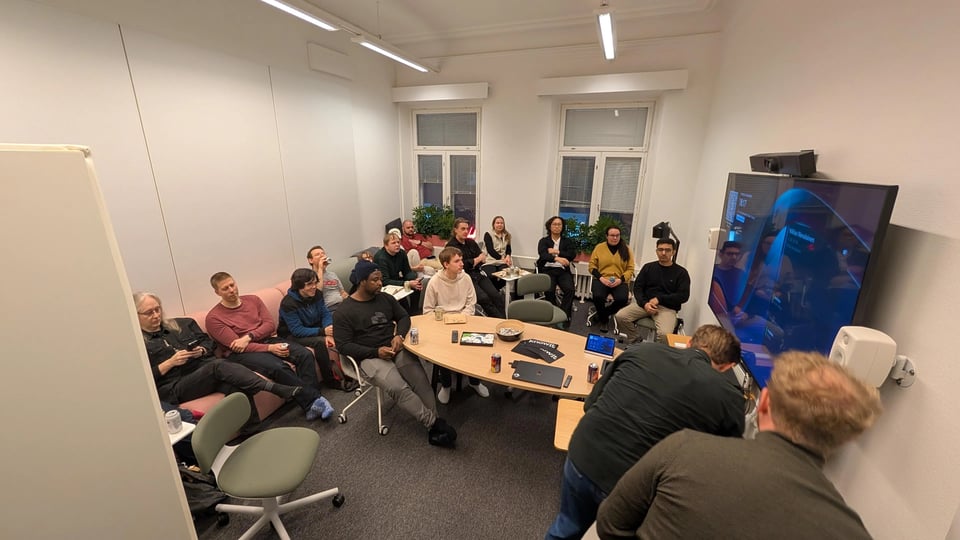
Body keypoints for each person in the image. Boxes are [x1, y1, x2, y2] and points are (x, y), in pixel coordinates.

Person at [596, 351, 883, 540]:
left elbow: (610, 525)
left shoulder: (684, 448)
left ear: (765, 402)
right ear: (846, 437)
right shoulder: (852, 532)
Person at [544, 325, 746, 540]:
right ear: (727, 367)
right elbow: (725, 461)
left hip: (583, 455)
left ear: (688, 343)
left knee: (567, 526)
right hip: (634, 487)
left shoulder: (641, 351)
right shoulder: (729, 398)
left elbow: (590, 404)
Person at [333, 260, 458, 447]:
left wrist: (399, 335)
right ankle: (433, 424)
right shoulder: (343, 311)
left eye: (380, 279)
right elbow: (343, 346)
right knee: (399, 388)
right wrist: (375, 351)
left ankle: (435, 423)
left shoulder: (385, 298)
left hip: (395, 348)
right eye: (375, 280)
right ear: (362, 282)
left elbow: (403, 317)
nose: (380, 283)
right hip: (369, 357)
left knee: (420, 381)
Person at [135, 292, 302, 427]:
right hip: (175, 386)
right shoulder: (136, 344)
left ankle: (252, 427)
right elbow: (142, 382)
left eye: (158, 309)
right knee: (218, 366)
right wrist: (170, 363)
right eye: (149, 313)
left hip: (201, 371)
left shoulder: (180, 325)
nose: (156, 315)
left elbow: (208, 342)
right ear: (135, 315)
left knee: (234, 384)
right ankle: (274, 388)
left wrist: (201, 350)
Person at [204, 272, 335, 421]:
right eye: (225, 288)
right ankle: (314, 401)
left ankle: (312, 402)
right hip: (242, 355)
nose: (231, 290)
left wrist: (249, 337)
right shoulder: (213, 318)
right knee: (278, 367)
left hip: (267, 339)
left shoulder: (253, 300)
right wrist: (268, 348)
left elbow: (269, 325)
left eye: (232, 285)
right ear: (217, 292)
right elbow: (237, 347)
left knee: (304, 354)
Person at [422, 246, 491, 403]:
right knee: (442, 350)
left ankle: (475, 382)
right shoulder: (434, 282)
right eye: (457, 261)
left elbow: (471, 303)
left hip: (465, 320)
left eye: (461, 260)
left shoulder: (465, 278)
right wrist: (446, 322)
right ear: (446, 264)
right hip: (443, 323)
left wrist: (462, 319)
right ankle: (446, 386)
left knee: (474, 347)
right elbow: (428, 311)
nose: (461, 264)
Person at [278, 267, 357, 392]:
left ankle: (353, 367)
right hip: (291, 335)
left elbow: (325, 313)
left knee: (343, 328)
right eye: (310, 284)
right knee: (319, 342)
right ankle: (330, 380)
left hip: (313, 326)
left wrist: (328, 328)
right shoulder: (288, 304)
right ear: (299, 286)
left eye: (315, 282)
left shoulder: (317, 294)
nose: (314, 286)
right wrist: (322, 332)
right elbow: (297, 330)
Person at [614, 238, 689, 344]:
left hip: (666, 308)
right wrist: (645, 304)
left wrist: (659, 299)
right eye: (660, 249)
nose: (663, 253)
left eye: (667, 250)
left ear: (673, 252)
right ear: (656, 251)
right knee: (620, 317)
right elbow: (637, 288)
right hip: (645, 304)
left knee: (664, 335)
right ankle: (636, 341)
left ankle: (654, 353)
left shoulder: (681, 273)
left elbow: (683, 296)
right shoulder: (648, 267)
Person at [446, 217, 505, 318]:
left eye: (467, 229)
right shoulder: (451, 247)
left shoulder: (471, 242)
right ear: (455, 230)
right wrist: (475, 260)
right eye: (462, 229)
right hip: (464, 277)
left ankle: (504, 320)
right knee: (484, 298)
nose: (466, 231)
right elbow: (461, 266)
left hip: (478, 274)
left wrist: (474, 261)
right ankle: (497, 321)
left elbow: (482, 259)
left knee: (496, 295)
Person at [587, 226, 635, 333]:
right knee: (598, 296)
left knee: (622, 299)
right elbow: (592, 266)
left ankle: (601, 314)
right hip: (602, 279)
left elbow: (630, 268)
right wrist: (601, 278)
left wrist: (621, 280)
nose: (615, 238)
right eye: (612, 235)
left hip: (619, 281)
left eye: (617, 235)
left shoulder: (626, 249)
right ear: (607, 236)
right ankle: (604, 320)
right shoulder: (599, 248)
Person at [536, 216, 576, 323]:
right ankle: (552, 313)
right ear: (549, 226)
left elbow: (571, 255)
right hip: (547, 269)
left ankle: (564, 315)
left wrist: (556, 251)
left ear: (562, 227)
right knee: (549, 291)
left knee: (570, 290)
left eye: (559, 224)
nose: (557, 227)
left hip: (562, 271)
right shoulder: (544, 241)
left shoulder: (567, 241)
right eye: (554, 224)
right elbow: (543, 255)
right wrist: (558, 259)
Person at [374, 232, 423, 314]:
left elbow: (407, 271)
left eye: (398, 242)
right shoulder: (381, 258)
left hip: (396, 279)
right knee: (404, 309)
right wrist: (407, 283)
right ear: (386, 246)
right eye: (393, 243)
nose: (397, 245)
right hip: (385, 285)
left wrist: (414, 279)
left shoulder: (401, 253)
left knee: (416, 286)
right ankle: (407, 313)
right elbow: (384, 281)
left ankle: (415, 312)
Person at [306, 245, 348, 313]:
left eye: (323, 253)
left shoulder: (332, 274)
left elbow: (342, 292)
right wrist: (320, 268)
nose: (322, 256)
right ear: (311, 260)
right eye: (317, 254)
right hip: (328, 309)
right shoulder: (309, 277)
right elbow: (318, 291)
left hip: (342, 305)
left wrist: (351, 302)